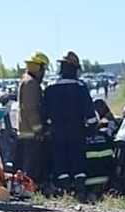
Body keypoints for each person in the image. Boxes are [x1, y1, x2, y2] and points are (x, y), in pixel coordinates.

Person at [43, 51, 99, 203]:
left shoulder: (50, 87)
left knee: (60, 162)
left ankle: (65, 193)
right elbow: (90, 114)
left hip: (57, 133)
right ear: (74, 68)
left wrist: (47, 129)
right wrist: (92, 129)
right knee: (78, 163)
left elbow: (44, 113)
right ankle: (79, 192)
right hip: (77, 132)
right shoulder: (80, 87)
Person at [17, 51, 50, 187]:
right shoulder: (31, 83)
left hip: (28, 132)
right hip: (31, 133)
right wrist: (39, 129)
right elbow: (31, 109)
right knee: (31, 166)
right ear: (38, 68)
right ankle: (29, 189)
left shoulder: (27, 81)